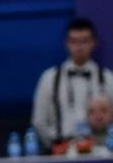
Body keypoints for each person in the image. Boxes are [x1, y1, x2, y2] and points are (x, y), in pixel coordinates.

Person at [31, 18, 113, 149]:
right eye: (74, 41)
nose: (79, 47)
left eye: (84, 41)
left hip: (100, 150)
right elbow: (39, 121)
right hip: (59, 151)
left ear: (93, 43)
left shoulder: (108, 78)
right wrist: (54, 147)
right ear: (67, 43)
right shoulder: (49, 78)